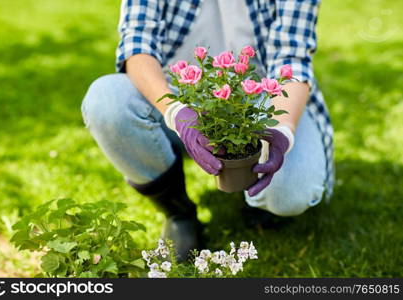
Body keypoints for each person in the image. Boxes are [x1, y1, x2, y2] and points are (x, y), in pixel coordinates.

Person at [81, 0, 334, 261]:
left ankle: (255, 193)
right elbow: (137, 47)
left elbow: (292, 61)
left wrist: (282, 131)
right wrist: (175, 111)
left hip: (265, 98)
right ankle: (178, 213)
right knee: (107, 100)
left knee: (289, 195)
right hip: (176, 93)